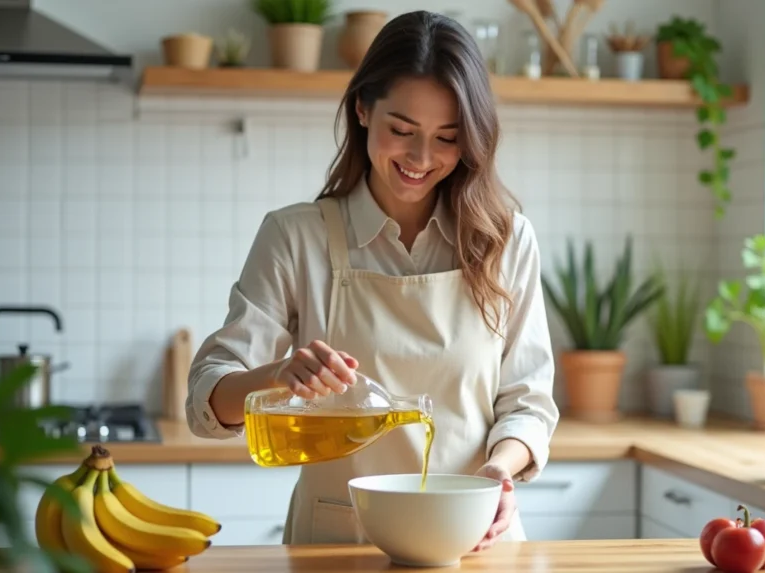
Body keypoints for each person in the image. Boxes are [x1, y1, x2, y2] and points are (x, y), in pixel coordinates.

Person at [186, 10, 559, 551]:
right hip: (340, 545)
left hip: (474, 539)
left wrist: (499, 471)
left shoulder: (506, 241)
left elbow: (529, 402)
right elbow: (206, 399)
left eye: (447, 138)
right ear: (362, 108)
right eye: (401, 130)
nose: (421, 158)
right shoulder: (296, 237)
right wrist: (278, 375)